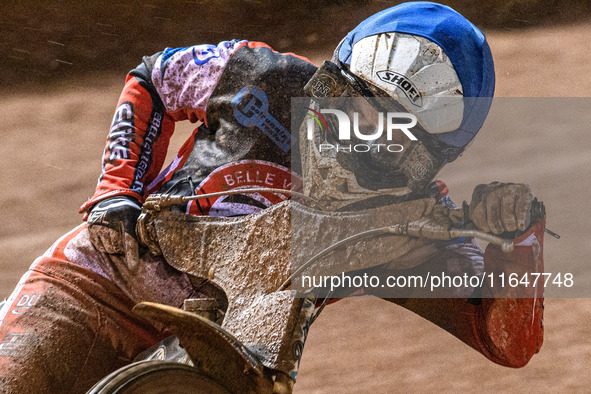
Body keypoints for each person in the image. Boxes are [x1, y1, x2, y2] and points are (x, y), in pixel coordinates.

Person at [0, 2, 544, 392]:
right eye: (350, 100)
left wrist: (520, 242)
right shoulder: (260, 75)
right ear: (332, 77)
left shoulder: (412, 223)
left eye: (389, 131)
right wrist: (116, 194)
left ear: (430, 154)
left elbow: (507, 337)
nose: (355, 129)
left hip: (228, 351)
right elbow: (154, 76)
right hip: (101, 281)